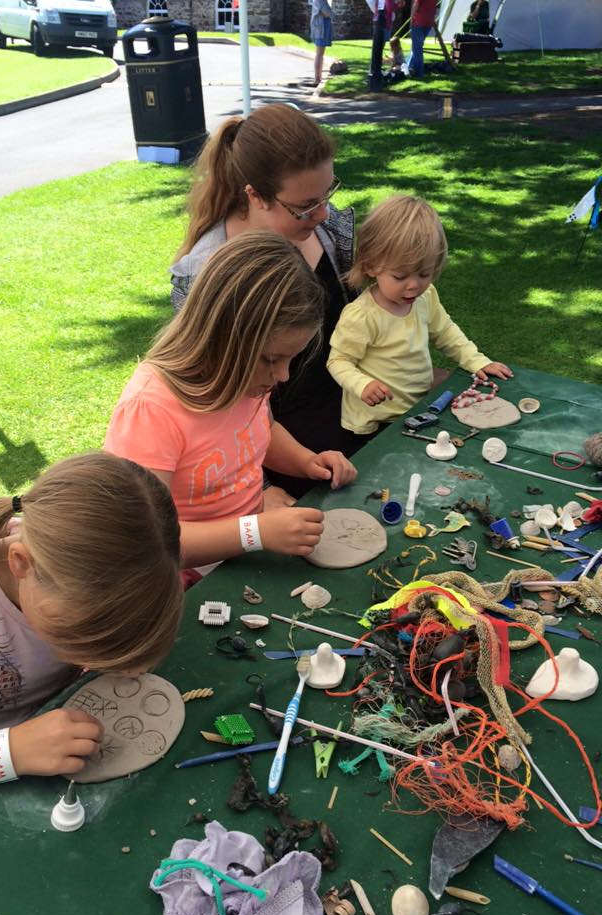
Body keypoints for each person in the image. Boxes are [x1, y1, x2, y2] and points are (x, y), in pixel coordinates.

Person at [0, 453, 182, 817]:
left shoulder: (79, 565)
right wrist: (9, 752)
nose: (85, 659)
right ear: (20, 563)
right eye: (75, 638)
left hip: (41, 747)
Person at [106, 232, 358, 574]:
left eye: (290, 360)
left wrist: (306, 461)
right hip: (182, 578)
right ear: (223, 338)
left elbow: (261, 431)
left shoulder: (244, 380)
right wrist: (255, 533)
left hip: (244, 553)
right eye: (272, 359)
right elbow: (147, 541)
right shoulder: (151, 409)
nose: (282, 375)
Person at [169, 103, 357, 500]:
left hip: (349, 429)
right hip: (271, 459)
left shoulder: (324, 231)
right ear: (255, 195)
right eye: (306, 206)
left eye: (328, 194)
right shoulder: (204, 275)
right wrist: (261, 487)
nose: (324, 214)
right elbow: (218, 404)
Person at [327, 195, 512, 439]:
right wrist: (362, 385)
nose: (414, 285)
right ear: (371, 266)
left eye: (424, 273)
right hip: (375, 420)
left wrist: (476, 361)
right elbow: (338, 361)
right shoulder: (361, 316)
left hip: (417, 410)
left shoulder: (425, 298)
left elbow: (446, 332)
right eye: (400, 276)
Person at [407, 0, 437, 78]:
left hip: (418, 21)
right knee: (417, 47)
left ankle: (418, 73)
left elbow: (416, 4)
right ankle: (410, 67)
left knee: (417, 49)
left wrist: (411, 17)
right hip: (428, 22)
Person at [310, 0, 333, 86]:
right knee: (319, 54)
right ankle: (317, 79)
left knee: (320, 54)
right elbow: (327, 12)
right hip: (320, 28)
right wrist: (331, 13)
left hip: (321, 27)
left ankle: (318, 78)